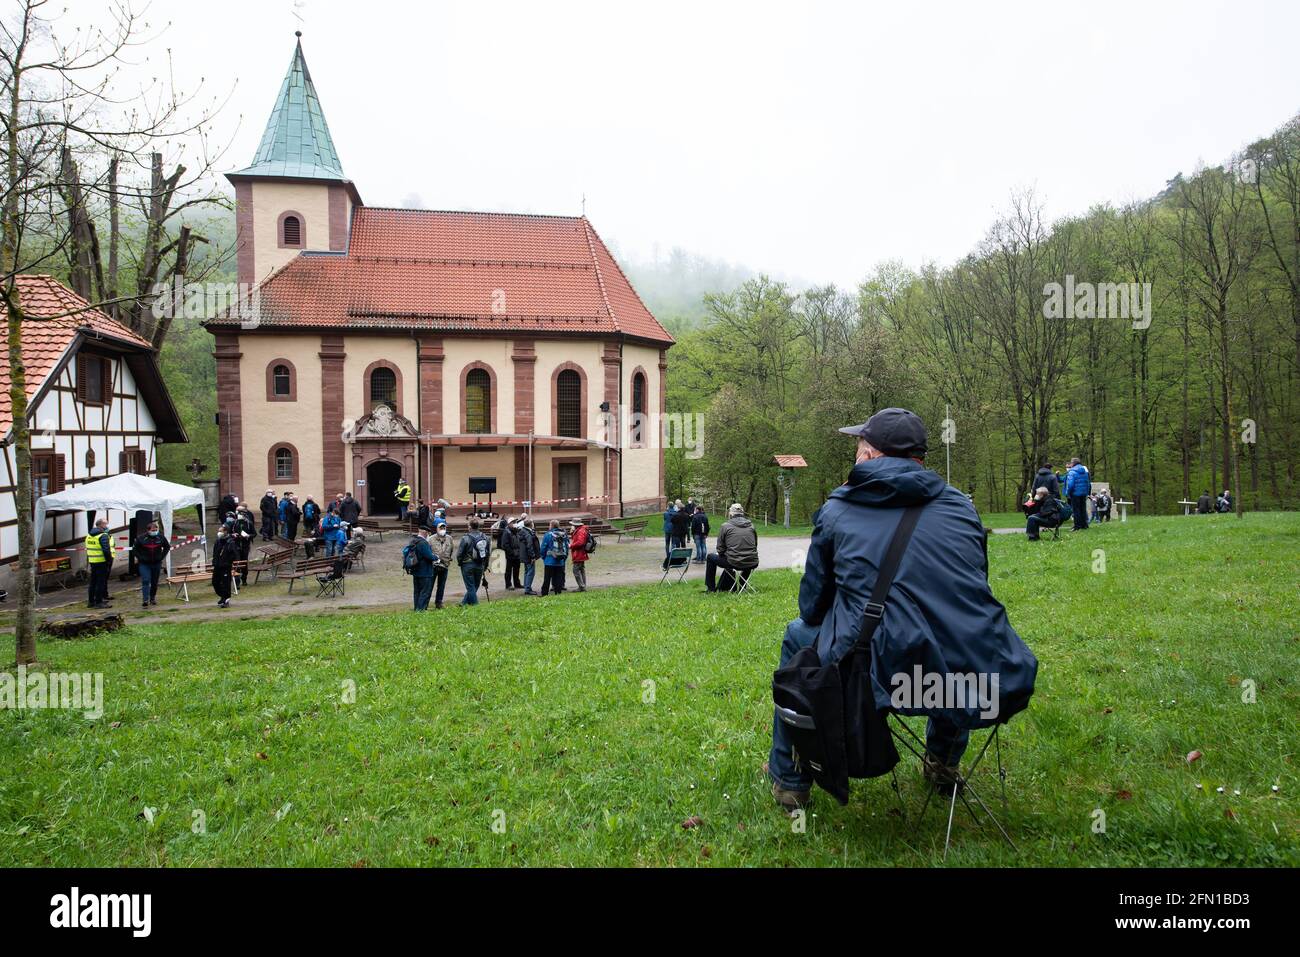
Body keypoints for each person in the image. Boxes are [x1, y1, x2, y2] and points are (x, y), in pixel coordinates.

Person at [767, 407, 1038, 811]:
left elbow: (812, 607)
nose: (856, 456)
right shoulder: (962, 509)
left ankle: (791, 781)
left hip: (876, 672)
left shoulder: (838, 510)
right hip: (968, 674)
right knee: (946, 631)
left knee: (797, 636)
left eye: (859, 448)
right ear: (919, 460)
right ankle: (943, 762)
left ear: (872, 456)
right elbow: (975, 583)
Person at [705, 504, 759, 592]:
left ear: (731, 513)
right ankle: (742, 587)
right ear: (742, 513)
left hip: (734, 561)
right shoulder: (751, 526)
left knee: (711, 557)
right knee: (746, 556)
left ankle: (710, 588)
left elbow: (720, 548)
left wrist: (723, 553)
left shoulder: (725, 526)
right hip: (753, 561)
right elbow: (755, 545)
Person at [133, 520, 170, 607]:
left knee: (154, 582)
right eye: (153, 530)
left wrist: (161, 557)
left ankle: (152, 597)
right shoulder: (141, 538)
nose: (155, 532)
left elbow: (167, 547)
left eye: (156, 530)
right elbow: (134, 550)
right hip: (144, 564)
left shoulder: (160, 537)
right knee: (145, 580)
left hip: (156, 563)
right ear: (148, 530)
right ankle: (145, 600)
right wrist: (140, 558)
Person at [456, 517, 489, 606]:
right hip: (480, 564)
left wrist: (460, 563)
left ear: (470, 527)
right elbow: (487, 553)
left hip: (467, 564)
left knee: (470, 587)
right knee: (475, 586)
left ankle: (475, 605)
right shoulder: (485, 537)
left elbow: (459, 553)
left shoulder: (465, 538)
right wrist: (485, 565)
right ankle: (463, 603)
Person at [85, 517, 116, 609]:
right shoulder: (103, 536)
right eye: (106, 524)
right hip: (101, 561)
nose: (107, 526)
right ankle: (99, 602)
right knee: (100, 582)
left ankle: (91, 601)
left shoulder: (89, 535)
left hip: (93, 561)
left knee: (93, 582)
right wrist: (109, 560)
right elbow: (106, 550)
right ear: (101, 525)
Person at [404, 526, 437, 611]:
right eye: (428, 533)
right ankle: (421, 609)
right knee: (424, 591)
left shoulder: (413, 541)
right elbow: (429, 556)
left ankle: (416, 608)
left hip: (415, 570)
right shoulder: (423, 543)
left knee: (417, 591)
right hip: (425, 571)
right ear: (426, 532)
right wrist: (436, 557)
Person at [211, 525, 239, 608]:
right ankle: (223, 596)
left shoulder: (230, 542)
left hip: (225, 567)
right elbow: (215, 552)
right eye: (219, 531)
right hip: (217, 565)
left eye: (221, 531)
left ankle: (225, 599)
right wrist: (215, 561)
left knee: (226, 583)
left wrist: (227, 561)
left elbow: (235, 555)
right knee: (215, 582)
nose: (219, 532)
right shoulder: (218, 541)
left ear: (226, 532)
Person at [540, 519, 568, 595]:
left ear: (551, 526)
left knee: (547, 578)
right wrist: (564, 558)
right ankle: (558, 592)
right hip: (560, 561)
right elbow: (566, 547)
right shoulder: (563, 534)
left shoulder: (548, 535)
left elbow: (543, 548)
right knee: (558, 578)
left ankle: (544, 593)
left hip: (549, 561)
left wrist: (543, 557)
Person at [429, 521, 454, 608]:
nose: (442, 530)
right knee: (430, 585)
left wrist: (448, 559)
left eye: (444, 528)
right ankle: (426, 602)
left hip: (445, 565)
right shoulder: (431, 539)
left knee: (441, 585)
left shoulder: (449, 538)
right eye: (441, 528)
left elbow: (451, 549)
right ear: (437, 529)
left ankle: (439, 602)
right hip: (433, 566)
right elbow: (428, 551)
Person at [1064, 457, 1091, 531]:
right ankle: (1084, 525)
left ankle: (1077, 526)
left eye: (1071, 462)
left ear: (1073, 463)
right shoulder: (1085, 471)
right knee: (1082, 509)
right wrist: (1087, 492)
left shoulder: (1072, 472)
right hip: (1083, 493)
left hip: (1075, 493)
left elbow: (1070, 484)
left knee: (1076, 510)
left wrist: (1068, 493)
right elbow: (1088, 483)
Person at [233, 503, 256, 585]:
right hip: (236, 545)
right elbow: (228, 532)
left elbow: (254, 533)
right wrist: (233, 535)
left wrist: (248, 536)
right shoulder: (234, 522)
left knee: (244, 562)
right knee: (237, 562)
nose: (238, 514)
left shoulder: (249, 523)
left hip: (245, 545)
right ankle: (237, 580)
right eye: (237, 512)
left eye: (240, 512)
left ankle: (244, 579)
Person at [517, 518, 541, 596]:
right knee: (531, 572)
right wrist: (533, 556)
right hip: (528, 556)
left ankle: (526, 587)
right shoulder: (527, 533)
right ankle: (528, 588)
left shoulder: (523, 531)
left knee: (527, 571)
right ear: (531, 524)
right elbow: (529, 545)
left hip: (524, 555)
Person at [569, 518, 591, 592]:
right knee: (581, 570)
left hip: (579, 554)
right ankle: (583, 586)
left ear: (575, 525)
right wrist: (572, 533)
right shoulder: (579, 530)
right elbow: (576, 539)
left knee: (576, 570)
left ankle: (582, 587)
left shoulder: (580, 531)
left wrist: (571, 546)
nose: (571, 525)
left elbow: (580, 542)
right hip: (580, 553)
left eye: (572, 524)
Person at [499, 518, 520, 589]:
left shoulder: (516, 531)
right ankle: (508, 585)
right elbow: (504, 545)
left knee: (517, 569)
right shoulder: (506, 532)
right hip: (510, 555)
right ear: (509, 524)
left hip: (517, 554)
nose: (514, 523)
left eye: (515, 522)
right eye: (513, 522)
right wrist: (511, 552)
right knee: (508, 570)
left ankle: (517, 583)